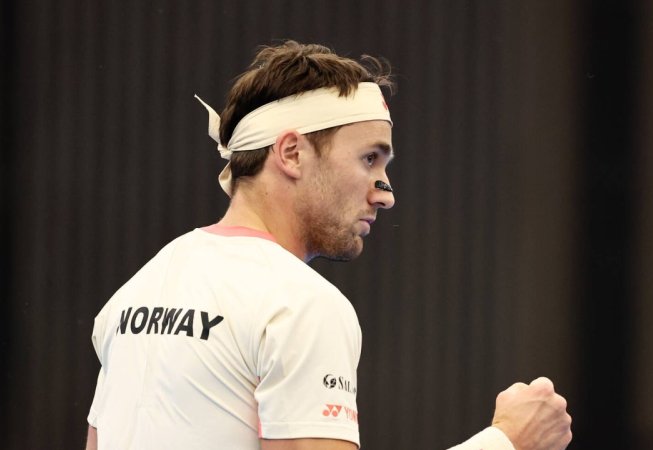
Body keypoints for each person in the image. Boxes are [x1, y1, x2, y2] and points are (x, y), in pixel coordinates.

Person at [85, 41, 572, 450]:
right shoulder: (300, 304)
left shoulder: (134, 293)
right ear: (291, 153)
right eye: (369, 159)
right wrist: (507, 442)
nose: (385, 194)